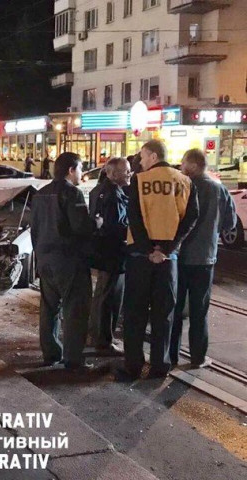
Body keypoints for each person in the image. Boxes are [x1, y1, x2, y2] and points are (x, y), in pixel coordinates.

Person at [118, 140, 199, 381]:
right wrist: (167, 249)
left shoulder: (139, 180)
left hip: (140, 256)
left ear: (153, 156)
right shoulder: (185, 182)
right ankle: (159, 366)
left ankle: (133, 365)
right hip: (168, 258)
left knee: (135, 312)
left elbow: (134, 216)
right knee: (164, 314)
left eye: (143, 156)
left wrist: (147, 249)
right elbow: (191, 218)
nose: (141, 161)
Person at [31, 152, 102, 370]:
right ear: (71, 170)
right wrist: (97, 223)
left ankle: (51, 353)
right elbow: (81, 227)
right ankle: (73, 359)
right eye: (80, 168)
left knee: (49, 309)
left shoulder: (40, 194)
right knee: (75, 310)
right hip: (69, 261)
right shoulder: (72, 193)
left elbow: (35, 229)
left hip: (45, 259)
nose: (82, 173)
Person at [170, 149, 236, 369]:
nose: (181, 167)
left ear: (194, 166)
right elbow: (229, 224)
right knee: (200, 310)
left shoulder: (183, 186)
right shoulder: (219, 189)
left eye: (183, 163)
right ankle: (198, 357)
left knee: (175, 308)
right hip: (205, 258)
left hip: (179, 257)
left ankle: (171, 355)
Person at [88, 157, 131, 354]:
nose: (129, 174)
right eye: (125, 171)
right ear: (112, 174)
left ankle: (97, 335)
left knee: (102, 295)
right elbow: (116, 226)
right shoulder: (113, 194)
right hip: (113, 253)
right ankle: (104, 341)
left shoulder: (100, 190)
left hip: (104, 252)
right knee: (110, 298)